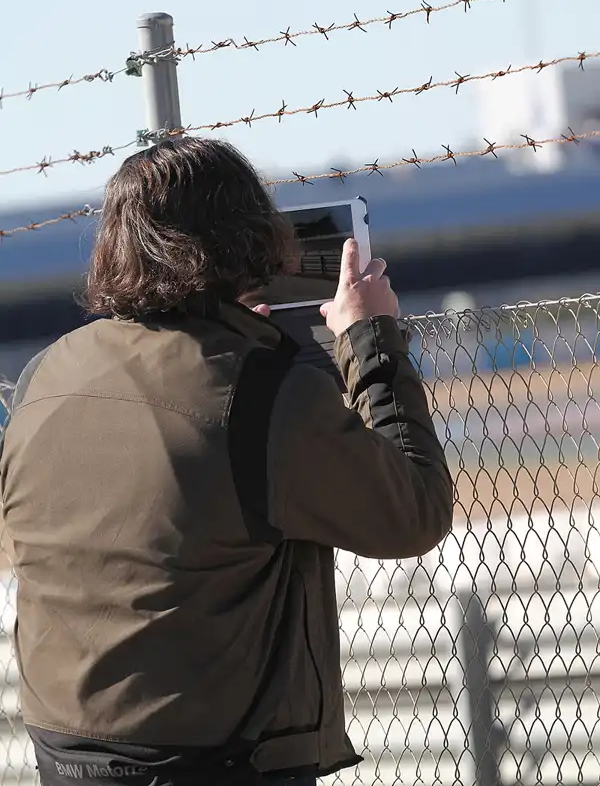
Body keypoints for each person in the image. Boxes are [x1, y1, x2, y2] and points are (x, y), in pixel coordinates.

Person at [0, 138, 453, 786]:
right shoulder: (264, 395)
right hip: (217, 761)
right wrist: (369, 339)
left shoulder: (45, 373)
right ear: (250, 240)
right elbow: (415, 512)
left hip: (63, 756)